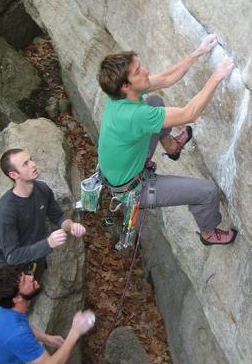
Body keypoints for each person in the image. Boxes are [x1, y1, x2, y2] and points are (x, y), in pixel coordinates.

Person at [97, 34, 238, 245]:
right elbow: (189, 114)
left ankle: (172, 147)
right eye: (138, 72)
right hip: (135, 190)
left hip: (123, 171)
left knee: (154, 102)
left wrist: (198, 52)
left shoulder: (120, 96)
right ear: (125, 86)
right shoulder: (135, 116)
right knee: (207, 191)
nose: (145, 71)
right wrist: (217, 76)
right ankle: (208, 233)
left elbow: (166, 78)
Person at [0, 149, 86, 274]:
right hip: (13, 272)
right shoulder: (6, 211)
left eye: (31, 159)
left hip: (37, 258)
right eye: (25, 164)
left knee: (36, 287)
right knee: (23, 293)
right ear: (14, 175)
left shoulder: (42, 189)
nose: (33, 164)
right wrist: (48, 243)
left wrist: (71, 226)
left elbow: (58, 216)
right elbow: (12, 256)